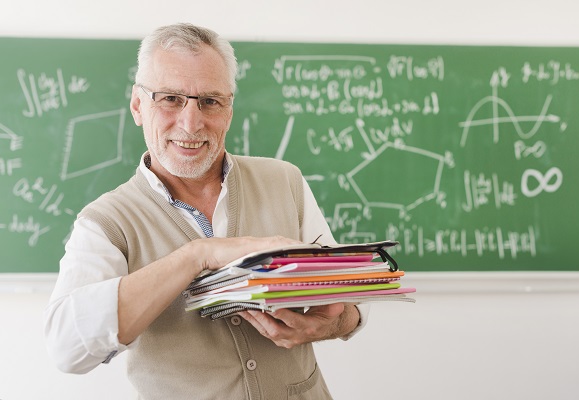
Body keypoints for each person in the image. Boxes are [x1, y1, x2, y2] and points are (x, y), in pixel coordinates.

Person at [44, 23, 369, 399]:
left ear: (229, 109)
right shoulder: (106, 223)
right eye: (170, 99)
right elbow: (67, 349)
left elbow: (350, 307)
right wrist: (198, 255)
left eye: (210, 101)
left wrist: (327, 325)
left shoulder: (286, 181)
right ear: (138, 106)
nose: (190, 122)